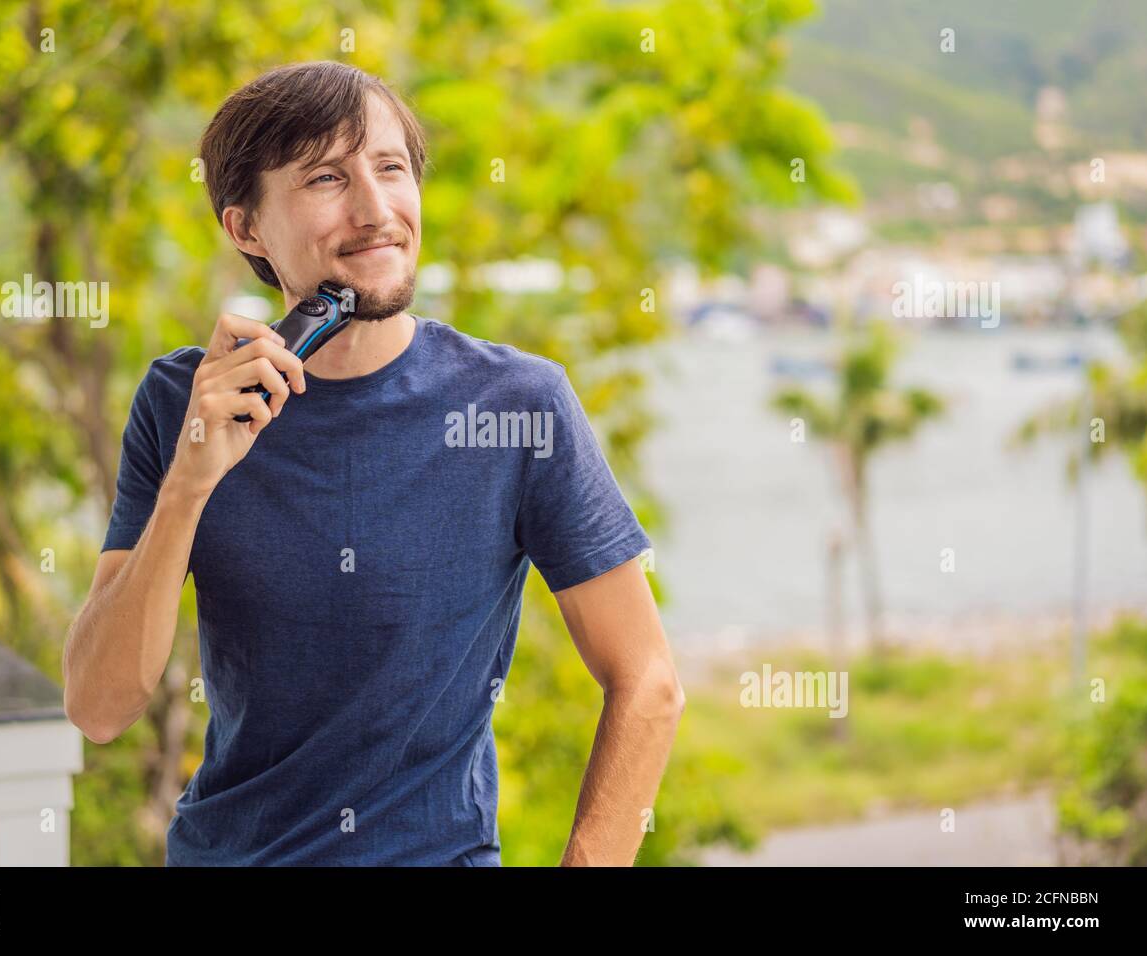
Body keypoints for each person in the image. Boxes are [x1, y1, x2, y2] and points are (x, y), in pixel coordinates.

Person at [62, 60, 684, 866]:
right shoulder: (183, 400)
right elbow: (100, 707)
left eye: (391, 168)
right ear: (246, 228)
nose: (375, 209)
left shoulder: (517, 404)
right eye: (326, 177)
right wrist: (190, 479)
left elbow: (647, 683)